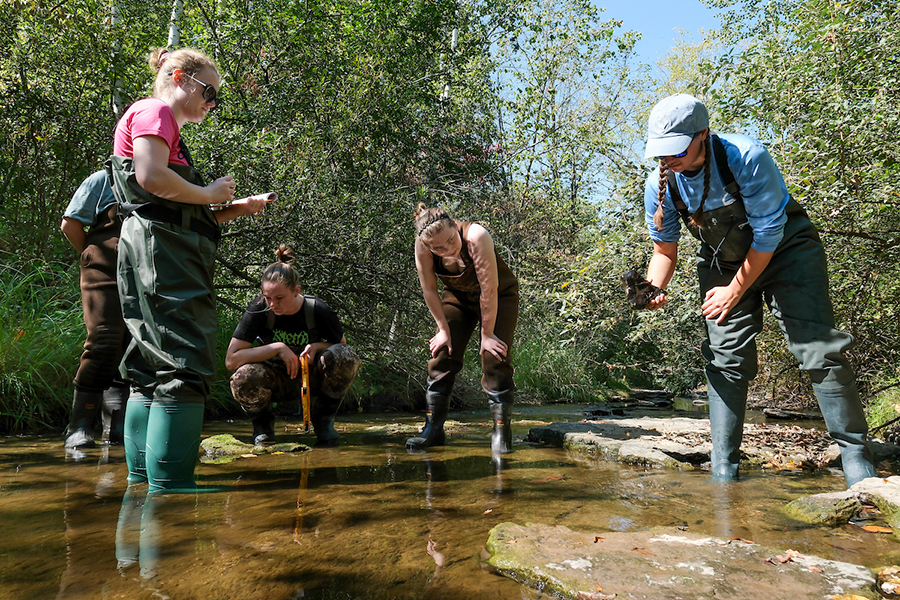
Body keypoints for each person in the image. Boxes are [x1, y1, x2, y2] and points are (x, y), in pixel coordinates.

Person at [641, 93, 876, 488]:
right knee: (725, 357)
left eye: (676, 149)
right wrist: (652, 288)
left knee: (818, 348)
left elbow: (768, 236)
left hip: (786, 251)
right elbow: (664, 248)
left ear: (703, 134)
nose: (668, 160)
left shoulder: (746, 156)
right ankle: (724, 470)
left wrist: (734, 291)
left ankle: (856, 459)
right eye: (660, 153)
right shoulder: (660, 184)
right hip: (722, 260)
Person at [107, 47, 266, 492]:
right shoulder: (155, 111)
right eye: (209, 92)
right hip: (164, 257)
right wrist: (211, 190)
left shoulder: (162, 125)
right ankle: (171, 482)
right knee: (184, 360)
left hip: (155, 248)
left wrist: (237, 207)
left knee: (148, 362)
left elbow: (177, 210)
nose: (212, 104)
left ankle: (144, 479)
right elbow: (152, 179)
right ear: (179, 78)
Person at [409, 204, 519, 454]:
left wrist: (487, 335)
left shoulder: (476, 236)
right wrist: (443, 330)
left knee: (494, 356)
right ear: (428, 246)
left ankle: (502, 433)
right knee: (442, 353)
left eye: (450, 240)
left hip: (499, 296)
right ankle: (433, 430)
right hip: (458, 297)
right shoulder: (422, 246)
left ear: (454, 224)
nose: (447, 249)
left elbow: (489, 290)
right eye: (438, 247)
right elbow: (429, 289)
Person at [225, 245, 360, 446]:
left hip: (310, 378)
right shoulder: (259, 310)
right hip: (274, 379)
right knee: (243, 377)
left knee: (345, 356)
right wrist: (277, 348)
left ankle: (324, 420)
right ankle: (262, 427)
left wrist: (316, 347)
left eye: (279, 298)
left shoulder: (318, 310)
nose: (272, 304)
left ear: (296, 291)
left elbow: (343, 348)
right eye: (268, 298)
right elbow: (231, 360)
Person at [60, 170, 129, 449]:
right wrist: (92, 256)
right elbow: (70, 224)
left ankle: (117, 428)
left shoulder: (163, 179)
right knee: (105, 339)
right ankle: (80, 425)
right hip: (103, 269)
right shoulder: (103, 180)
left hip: (146, 272)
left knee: (130, 344)